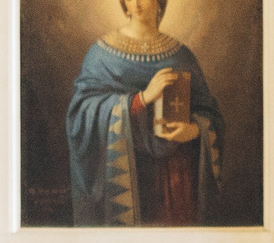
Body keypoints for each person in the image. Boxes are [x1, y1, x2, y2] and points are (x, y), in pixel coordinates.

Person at [65, 0, 223, 225]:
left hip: (175, 181)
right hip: (123, 178)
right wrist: (142, 98)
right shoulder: (100, 55)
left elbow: (210, 115)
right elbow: (81, 115)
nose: (137, 3)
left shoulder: (182, 57)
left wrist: (194, 130)